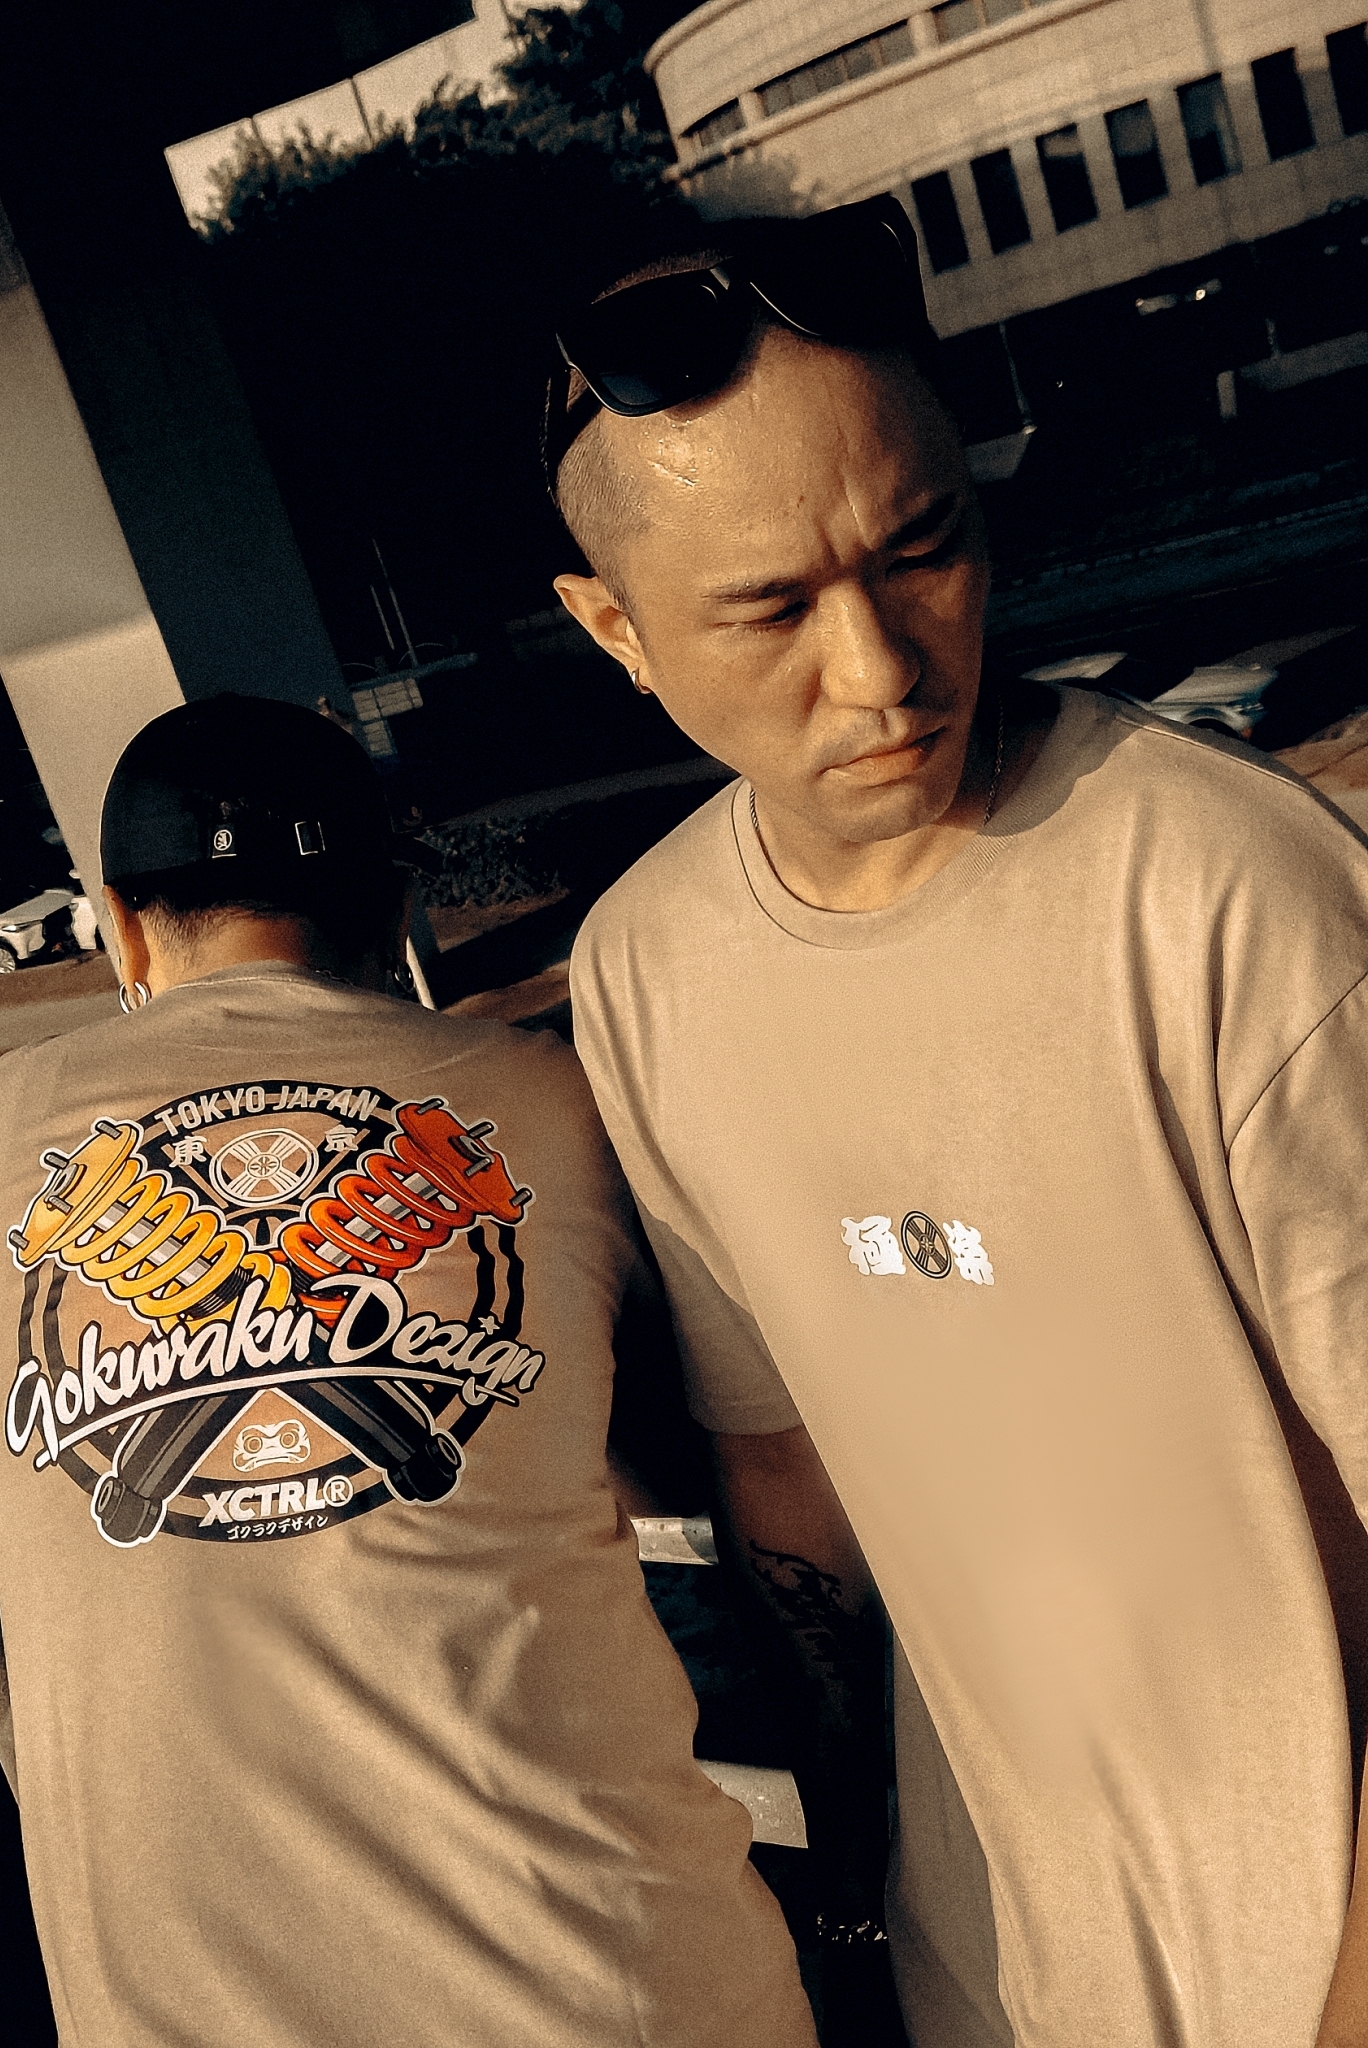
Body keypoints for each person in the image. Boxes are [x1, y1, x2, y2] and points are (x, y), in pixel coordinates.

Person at [552, 197, 1368, 2048]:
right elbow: (786, 1485)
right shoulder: (646, 971)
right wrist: (859, 1911)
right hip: (989, 1978)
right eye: (771, 607)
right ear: (615, 630)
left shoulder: (1229, 890)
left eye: (922, 550)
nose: (883, 669)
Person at [0, 694, 815, 2048]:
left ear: (123, 924)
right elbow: (700, 1450)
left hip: (168, 2010)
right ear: (390, 908)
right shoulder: (546, 1096)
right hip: (604, 1979)